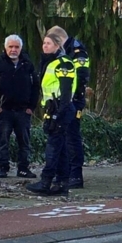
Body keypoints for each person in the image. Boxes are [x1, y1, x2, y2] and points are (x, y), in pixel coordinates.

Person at [26, 31, 77, 196]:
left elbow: (66, 92)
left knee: (53, 148)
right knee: (60, 148)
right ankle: (62, 184)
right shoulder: (50, 63)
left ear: (57, 46)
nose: (44, 46)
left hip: (61, 109)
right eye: (44, 43)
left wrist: (58, 115)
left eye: (48, 43)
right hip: (54, 109)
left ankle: (46, 182)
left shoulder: (64, 64)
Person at [0, 35, 38, 179]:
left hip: (23, 111)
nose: (13, 50)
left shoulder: (28, 64)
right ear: (5, 47)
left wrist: (31, 107)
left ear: (21, 48)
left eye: (16, 47)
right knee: (3, 141)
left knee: (24, 142)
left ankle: (23, 169)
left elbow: (36, 87)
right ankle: (3, 169)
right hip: (4, 110)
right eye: (10, 47)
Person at [46, 26, 90, 189]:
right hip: (63, 102)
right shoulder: (67, 52)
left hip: (73, 101)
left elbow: (82, 76)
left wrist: (72, 99)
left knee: (72, 137)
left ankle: (76, 175)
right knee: (64, 137)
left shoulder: (77, 52)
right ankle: (65, 174)